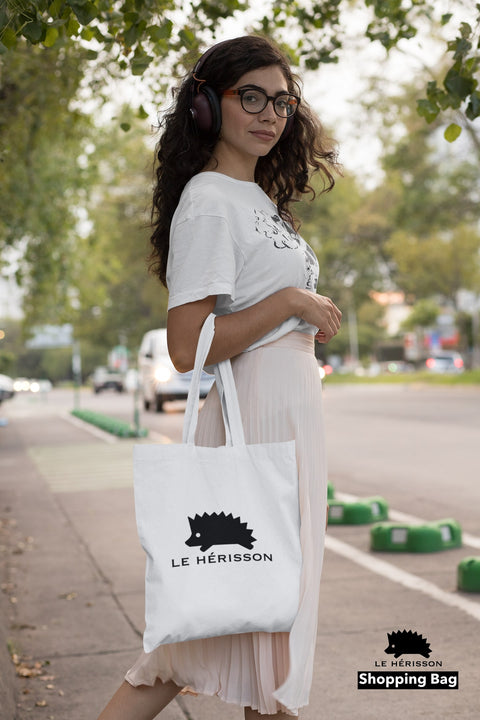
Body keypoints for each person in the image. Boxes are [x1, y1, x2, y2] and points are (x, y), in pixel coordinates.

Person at [97, 34, 342, 720]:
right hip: (253, 422)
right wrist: (291, 304)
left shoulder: (255, 198)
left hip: (287, 416)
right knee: (244, 629)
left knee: (255, 633)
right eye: (251, 97)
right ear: (208, 106)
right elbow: (186, 346)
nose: (270, 114)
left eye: (282, 101)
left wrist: (299, 319)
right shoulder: (208, 199)